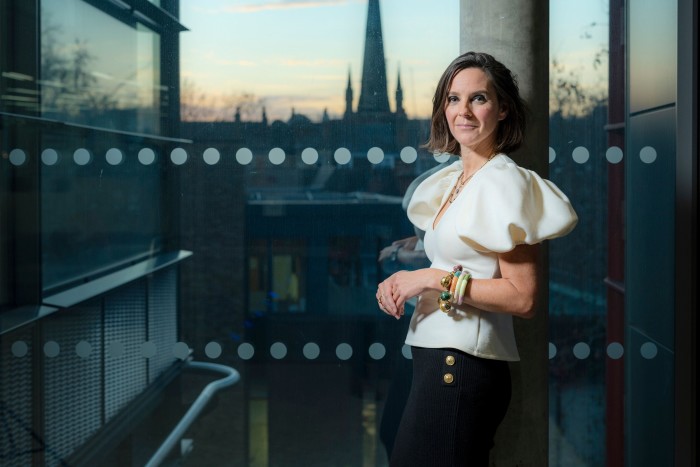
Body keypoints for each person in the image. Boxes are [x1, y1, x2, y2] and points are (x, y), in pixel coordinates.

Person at [375, 51, 578, 466]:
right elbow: (461, 257)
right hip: (436, 358)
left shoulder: (506, 184)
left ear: (503, 109)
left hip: (461, 366)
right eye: (453, 98)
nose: (462, 111)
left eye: (478, 99)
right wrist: (403, 277)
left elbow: (523, 298)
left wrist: (430, 279)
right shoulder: (457, 181)